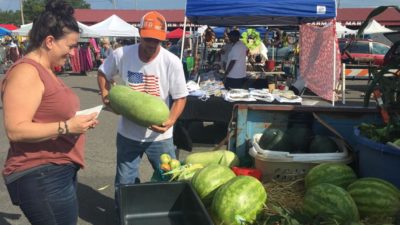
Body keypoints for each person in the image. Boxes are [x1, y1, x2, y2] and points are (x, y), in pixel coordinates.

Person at [1, 1, 99, 224]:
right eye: (71, 46)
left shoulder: (45, 71)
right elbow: (15, 129)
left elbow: (48, 114)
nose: (74, 53)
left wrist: (76, 123)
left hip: (56, 171)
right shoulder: (26, 71)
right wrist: (68, 127)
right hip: (40, 174)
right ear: (50, 42)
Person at [97, 10, 188, 215]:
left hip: (161, 136)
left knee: (170, 178)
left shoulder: (171, 62)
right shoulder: (122, 54)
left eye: (156, 40)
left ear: (162, 39)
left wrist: (171, 120)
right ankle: (126, 215)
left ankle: (169, 215)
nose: (151, 44)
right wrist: (104, 93)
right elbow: (103, 72)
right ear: (140, 34)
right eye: (147, 38)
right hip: (128, 134)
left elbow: (180, 97)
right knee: (125, 182)